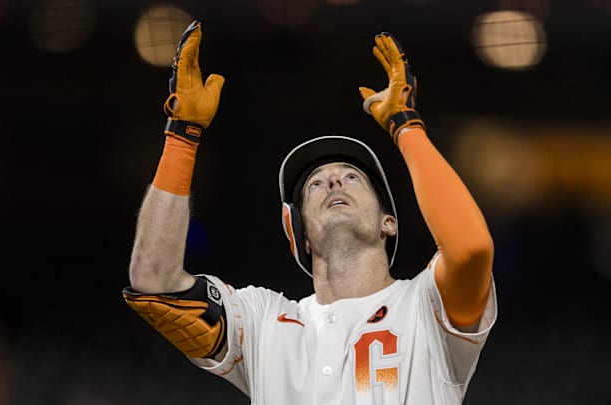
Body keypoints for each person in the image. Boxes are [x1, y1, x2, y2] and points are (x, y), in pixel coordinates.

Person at [123, 20, 497, 405]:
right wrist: (182, 138)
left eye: (353, 177)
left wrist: (407, 127)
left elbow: (470, 249)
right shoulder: (264, 321)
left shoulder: (425, 304)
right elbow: (154, 280)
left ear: (389, 222)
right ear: (298, 232)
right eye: (315, 184)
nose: (334, 182)